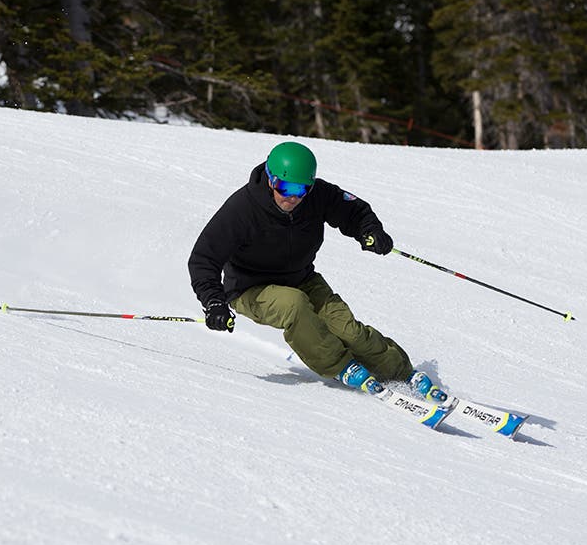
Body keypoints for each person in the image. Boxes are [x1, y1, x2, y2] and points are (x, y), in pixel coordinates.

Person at [187, 140, 445, 402]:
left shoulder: (317, 196)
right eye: (285, 187)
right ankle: (340, 366)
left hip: (301, 278)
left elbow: (353, 210)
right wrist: (214, 302)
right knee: (294, 305)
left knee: (349, 330)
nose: (292, 197)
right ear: (270, 178)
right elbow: (203, 259)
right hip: (249, 288)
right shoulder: (241, 209)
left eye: (301, 189)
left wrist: (370, 231)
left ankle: (400, 371)